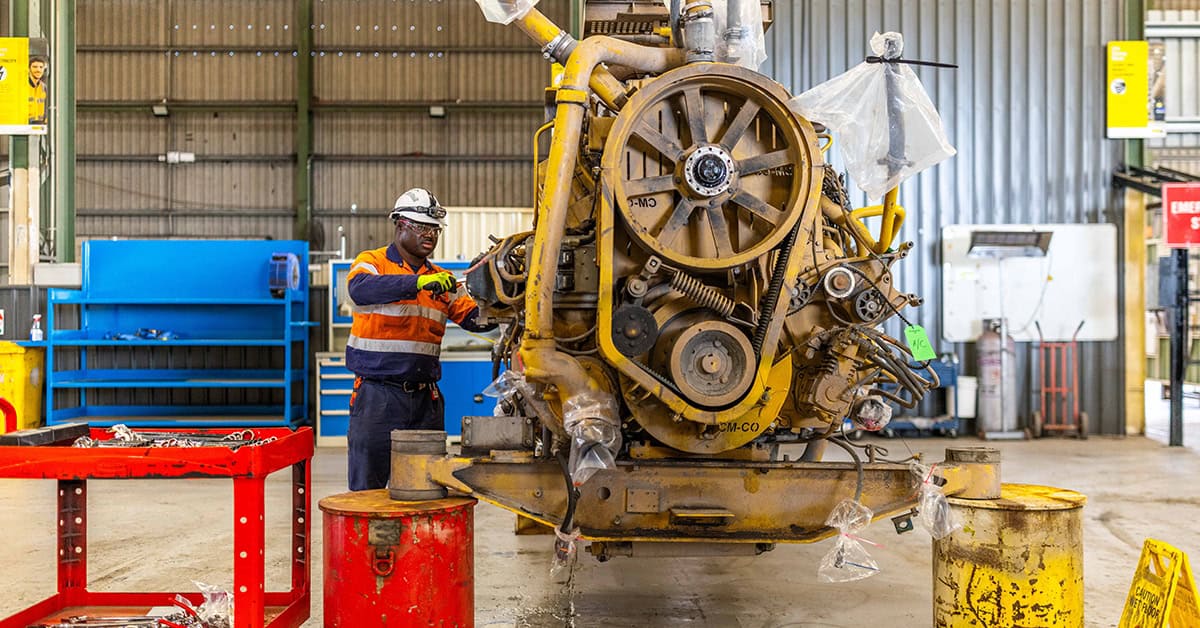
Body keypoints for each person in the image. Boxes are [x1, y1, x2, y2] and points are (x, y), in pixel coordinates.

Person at [345, 187, 496, 491]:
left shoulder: (443, 281)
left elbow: (476, 320)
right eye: (422, 227)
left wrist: (505, 299)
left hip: (426, 400)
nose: (430, 235)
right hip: (378, 398)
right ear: (400, 224)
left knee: (425, 488)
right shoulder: (372, 262)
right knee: (368, 491)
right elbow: (360, 290)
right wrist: (418, 283)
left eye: (435, 229)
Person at [28, 56, 47, 125]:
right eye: (35, 67)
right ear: (29, 69)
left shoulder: (44, 87)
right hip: (25, 126)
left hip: (40, 125)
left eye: (41, 67)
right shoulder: (22, 87)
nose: (38, 70)